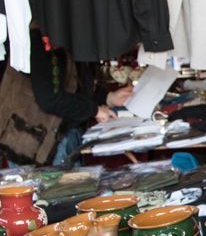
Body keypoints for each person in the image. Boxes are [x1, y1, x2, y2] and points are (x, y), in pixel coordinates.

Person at [29, 27, 132, 166]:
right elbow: (49, 98)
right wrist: (94, 110)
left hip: (62, 135)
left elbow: (75, 82)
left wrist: (108, 97)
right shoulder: (44, 35)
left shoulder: (73, 32)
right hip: (44, 142)